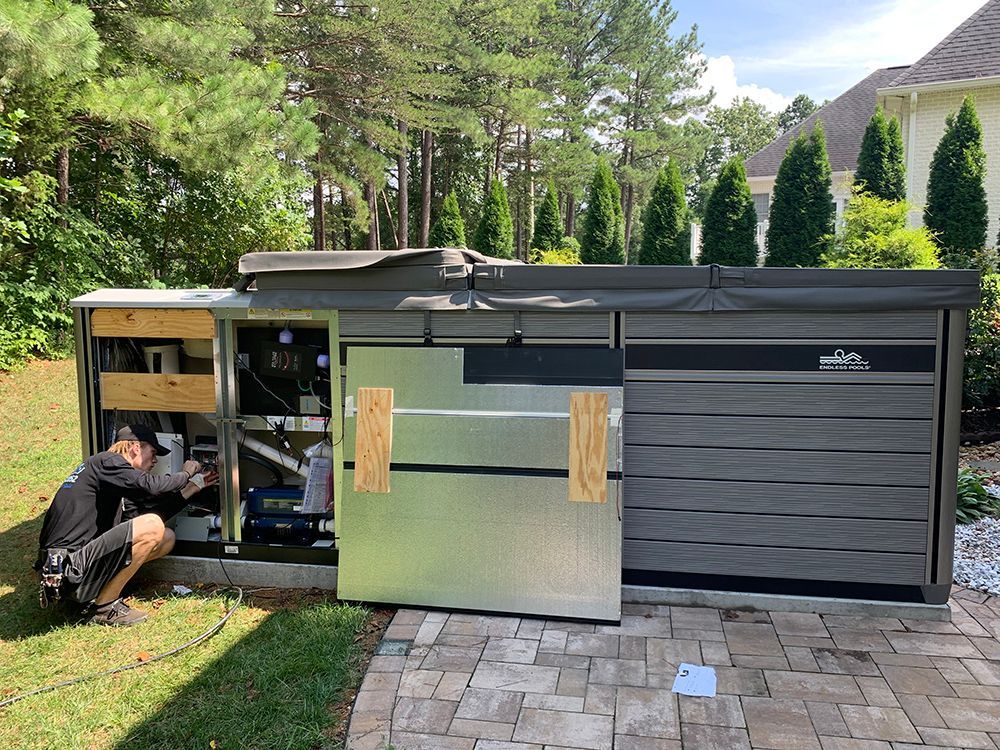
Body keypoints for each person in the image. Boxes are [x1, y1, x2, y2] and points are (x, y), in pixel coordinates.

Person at [34, 424, 218, 626]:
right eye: (153, 452)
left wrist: (192, 488)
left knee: (166, 537)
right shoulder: (106, 461)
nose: (155, 460)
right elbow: (153, 488)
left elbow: (146, 516)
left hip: (74, 567)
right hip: (67, 569)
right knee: (153, 525)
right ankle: (105, 607)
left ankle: (105, 590)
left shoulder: (110, 478)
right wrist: (186, 473)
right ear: (135, 448)